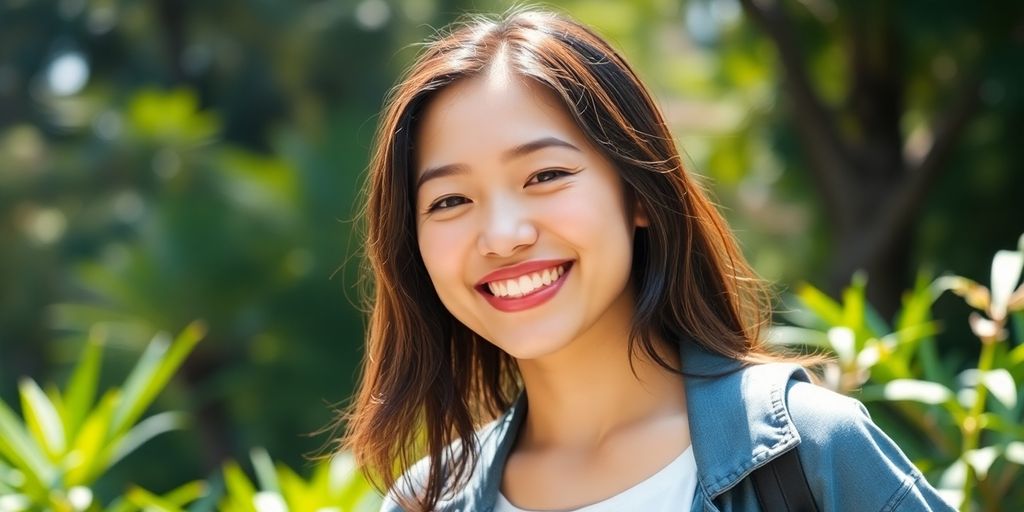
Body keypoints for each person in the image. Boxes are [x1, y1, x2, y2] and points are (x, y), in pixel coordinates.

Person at [338, 8, 953, 512]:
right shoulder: (425, 503)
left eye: (545, 175)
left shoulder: (811, 453)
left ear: (637, 193)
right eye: (450, 200)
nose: (502, 236)